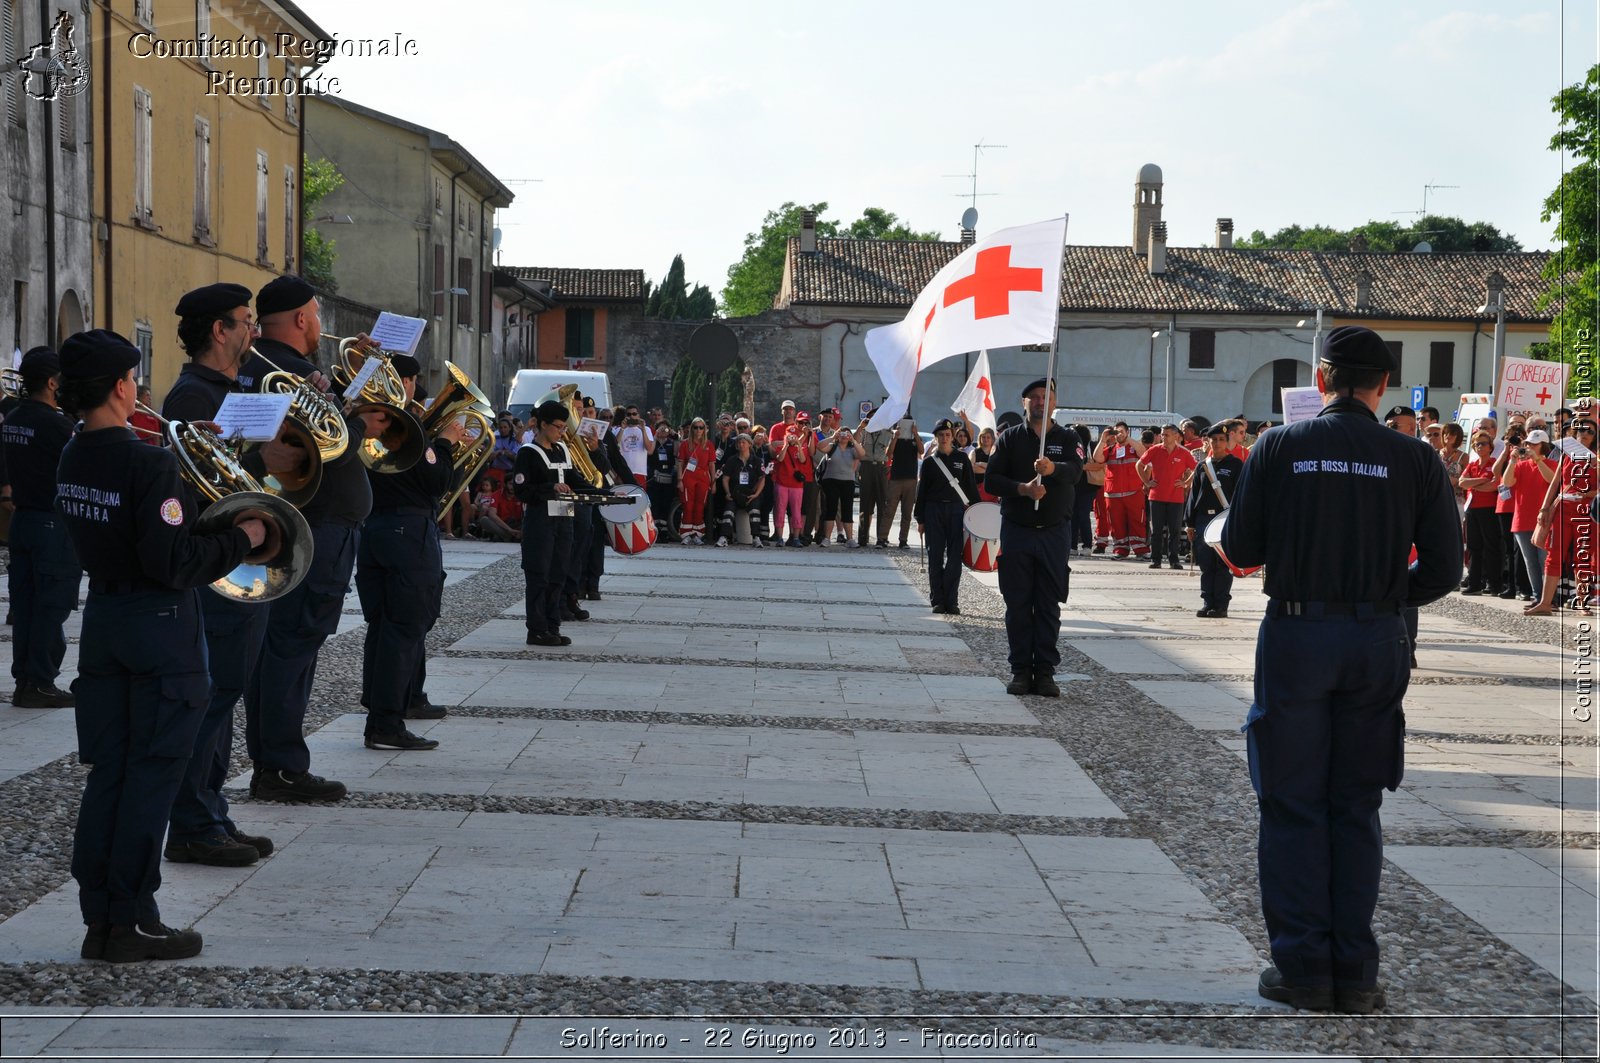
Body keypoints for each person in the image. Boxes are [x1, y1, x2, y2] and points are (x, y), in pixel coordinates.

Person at [1221, 326, 1460, 1014]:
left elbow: (1240, 544)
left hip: (1297, 632)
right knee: (1355, 803)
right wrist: (1384, 597)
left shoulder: (1277, 446)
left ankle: (1300, 966)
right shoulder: (1413, 457)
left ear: (1321, 380)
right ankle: (1353, 971)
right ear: (1381, 385)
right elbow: (1447, 568)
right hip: (1375, 640)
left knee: (1292, 800)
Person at [55, 328, 265, 963]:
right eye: (134, 381)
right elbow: (175, 560)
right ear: (122, 387)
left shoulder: (73, 455)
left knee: (111, 775)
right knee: (152, 775)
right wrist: (244, 537)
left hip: (106, 623)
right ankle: (134, 918)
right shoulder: (149, 461)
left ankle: (102, 915)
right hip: (160, 622)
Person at [241, 275, 385, 804]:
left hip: (311, 525)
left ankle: (275, 761)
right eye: (318, 316)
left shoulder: (271, 369)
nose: (322, 327)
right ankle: (279, 765)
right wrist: (361, 418)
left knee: (286, 647)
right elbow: (334, 448)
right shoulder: (287, 373)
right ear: (303, 319)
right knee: (292, 647)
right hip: (317, 528)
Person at [160, 282, 291, 865]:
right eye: (245, 321)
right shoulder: (192, 397)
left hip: (237, 558)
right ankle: (191, 824)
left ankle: (210, 811)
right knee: (210, 696)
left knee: (228, 689)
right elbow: (199, 490)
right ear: (219, 330)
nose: (253, 331)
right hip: (218, 561)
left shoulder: (230, 389)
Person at [355, 353, 462, 752]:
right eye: (414, 379)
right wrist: (447, 444)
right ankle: (387, 722)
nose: (416, 387)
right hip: (409, 534)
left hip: (375, 530)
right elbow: (436, 481)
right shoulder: (407, 424)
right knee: (406, 627)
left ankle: (379, 711)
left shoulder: (362, 421)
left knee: (383, 628)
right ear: (406, 381)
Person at [984, 378, 1083, 697]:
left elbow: (1076, 471)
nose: (1041, 402)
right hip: (1018, 530)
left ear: (1055, 402)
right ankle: (1020, 671)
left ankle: (1045, 672)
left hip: (1054, 532)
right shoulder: (1009, 438)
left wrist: (1052, 469)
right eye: (1035, 397)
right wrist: (1022, 489)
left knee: (1048, 604)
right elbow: (992, 480)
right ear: (1024, 402)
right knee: (1017, 603)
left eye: (1047, 397)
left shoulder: (1068, 438)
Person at [1, 346, 81, 708]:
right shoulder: (59, 425)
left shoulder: (14, 418)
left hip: (21, 520)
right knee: (52, 607)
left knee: (26, 605)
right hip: (52, 523)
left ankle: (25, 681)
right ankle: (41, 682)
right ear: (52, 383)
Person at [513, 400, 581, 645]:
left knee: (558, 573)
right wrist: (549, 487)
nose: (562, 432)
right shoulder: (528, 453)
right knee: (538, 575)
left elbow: (575, 478)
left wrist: (605, 491)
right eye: (558, 427)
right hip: (540, 521)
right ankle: (537, 629)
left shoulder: (562, 449)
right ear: (543, 425)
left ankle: (553, 626)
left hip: (564, 519)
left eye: (564, 427)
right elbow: (521, 489)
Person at [1527, 420, 1597, 616]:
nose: (1584, 434)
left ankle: (1582, 604)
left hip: (1584, 510)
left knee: (1582, 556)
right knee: (1553, 555)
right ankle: (1545, 603)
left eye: (1589, 431)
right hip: (1563, 507)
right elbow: (1555, 482)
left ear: (1594, 436)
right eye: (1581, 430)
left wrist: (1590, 492)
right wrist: (1544, 508)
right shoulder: (1566, 456)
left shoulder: (1597, 459)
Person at [915, 418, 977, 615]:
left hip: (956, 511)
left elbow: (971, 487)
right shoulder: (930, 463)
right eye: (941, 435)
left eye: (947, 435)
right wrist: (920, 519)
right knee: (935, 556)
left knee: (954, 557)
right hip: (934, 511)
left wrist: (977, 512)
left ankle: (952, 600)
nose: (944, 438)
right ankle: (937, 600)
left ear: (953, 437)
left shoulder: (962, 459)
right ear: (936, 437)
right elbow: (922, 492)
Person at [1186, 423, 1243, 618]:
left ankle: (1221, 604)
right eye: (1214, 440)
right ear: (1208, 442)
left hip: (1224, 519)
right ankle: (1207, 601)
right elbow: (1193, 496)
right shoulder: (1202, 466)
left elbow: (1240, 494)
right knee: (1206, 563)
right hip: (1203, 519)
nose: (1217, 443)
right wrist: (1190, 523)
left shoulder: (1235, 465)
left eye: (1221, 440)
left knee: (1222, 564)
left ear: (1227, 442)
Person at [1137, 423, 1197, 570]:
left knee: (1175, 531)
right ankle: (1156, 559)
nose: (1163, 437)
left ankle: (1174, 560)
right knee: (1156, 530)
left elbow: (1196, 468)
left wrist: (1185, 483)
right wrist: (1147, 481)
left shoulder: (1184, 453)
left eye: (1167, 434)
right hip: (1156, 496)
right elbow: (1139, 464)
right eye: (1162, 434)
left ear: (1176, 436)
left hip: (1176, 498)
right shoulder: (1155, 450)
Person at [1458, 432, 1504, 596]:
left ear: (1490, 446)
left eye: (1483, 443)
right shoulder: (1472, 464)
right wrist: (1480, 481)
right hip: (1472, 509)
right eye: (1477, 444)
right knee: (1473, 547)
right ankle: (1474, 582)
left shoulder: (1494, 463)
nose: (1480, 447)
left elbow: (1493, 485)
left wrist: (1473, 483)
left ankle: (1494, 583)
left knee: (1491, 547)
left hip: (1489, 508)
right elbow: (1462, 483)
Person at [1094, 422, 1147, 558]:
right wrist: (1102, 439)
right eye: (1116, 432)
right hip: (1113, 494)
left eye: (1121, 431)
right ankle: (1120, 550)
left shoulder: (1133, 447)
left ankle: (1140, 550)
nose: (1118, 434)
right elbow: (1097, 458)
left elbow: (1144, 454)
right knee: (1116, 524)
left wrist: (1127, 439)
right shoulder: (1111, 449)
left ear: (1128, 432)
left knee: (1137, 522)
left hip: (1134, 492)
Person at [716, 433, 766, 547]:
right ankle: (724, 537)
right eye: (739, 442)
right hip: (735, 493)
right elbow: (725, 478)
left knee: (755, 510)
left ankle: (756, 538)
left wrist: (756, 494)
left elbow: (762, 479)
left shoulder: (757, 460)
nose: (741, 444)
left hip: (751, 493)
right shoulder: (732, 460)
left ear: (749, 444)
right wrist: (728, 493)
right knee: (729, 511)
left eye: (744, 442)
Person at [818, 424, 862, 547]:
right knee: (831, 509)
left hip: (847, 482)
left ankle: (850, 539)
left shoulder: (852, 449)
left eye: (846, 434)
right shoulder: (832, 446)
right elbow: (820, 447)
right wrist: (833, 437)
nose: (844, 436)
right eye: (842, 433)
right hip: (831, 480)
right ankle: (826, 538)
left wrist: (853, 440)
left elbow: (862, 454)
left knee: (847, 510)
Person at [677, 418, 715, 544]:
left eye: (701, 427)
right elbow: (680, 464)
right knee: (688, 505)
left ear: (705, 429)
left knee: (700, 506)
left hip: (703, 476)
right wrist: (679, 480)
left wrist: (713, 482)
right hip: (688, 475)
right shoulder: (685, 444)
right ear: (691, 428)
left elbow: (711, 465)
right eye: (695, 427)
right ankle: (686, 534)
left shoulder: (708, 445)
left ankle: (697, 534)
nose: (698, 430)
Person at [884, 416, 920, 549]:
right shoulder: (896, 439)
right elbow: (889, 453)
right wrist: (895, 436)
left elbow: (921, 451)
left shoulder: (915, 440)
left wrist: (915, 434)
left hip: (910, 479)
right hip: (896, 478)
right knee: (889, 510)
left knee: (907, 512)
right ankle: (882, 538)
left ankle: (903, 540)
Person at [646, 419, 679, 543]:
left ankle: (664, 531)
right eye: (661, 428)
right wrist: (655, 436)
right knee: (655, 503)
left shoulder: (671, 442)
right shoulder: (653, 441)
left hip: (667, 476)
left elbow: (677, 452)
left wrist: (674, 435)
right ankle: (655, 530)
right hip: (654, 476)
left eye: (666, 429)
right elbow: (650, 451)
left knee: (666, 504)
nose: (663, 431)